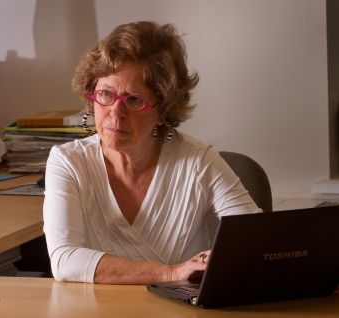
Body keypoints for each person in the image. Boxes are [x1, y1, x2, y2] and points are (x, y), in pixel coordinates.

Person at [43, 21, 261, 284]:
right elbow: (65, 261)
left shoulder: (198, 161)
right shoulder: (68, 162)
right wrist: (172, 272)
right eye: (105, 94)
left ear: (164, 111)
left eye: (134, 100)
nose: (116, 113)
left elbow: (257, 241)